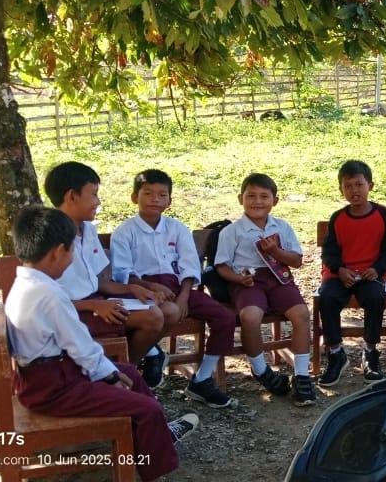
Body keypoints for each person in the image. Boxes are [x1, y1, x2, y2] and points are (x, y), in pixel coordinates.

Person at [4, 206, 198, 482]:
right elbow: (81, 346)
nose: (72, 259)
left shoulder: (26, 282)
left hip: (45, 376)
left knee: (131, 373)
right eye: (72, 251)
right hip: (55, 388)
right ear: (58, 251)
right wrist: (108, 377)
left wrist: (113, 372)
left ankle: (160, 435)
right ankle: (156, 469)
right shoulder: (49, 294)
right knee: (146, 408)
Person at [110, 169, 237, 408]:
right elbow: (123, 273)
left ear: (170, 200)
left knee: (225, 317)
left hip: (180, 287)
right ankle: (151, 354)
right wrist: (149, 286)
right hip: (141, 288)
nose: (155, 199)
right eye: (147, 193)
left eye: (162, 194)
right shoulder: (125, 232)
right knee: (165, 312)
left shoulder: (176, 228)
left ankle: (201, 380)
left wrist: (184, 298)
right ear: (134, 197)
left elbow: (190, 266)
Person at [43, 161, 170, 383]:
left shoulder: (87, 229)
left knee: (155, 309)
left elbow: (99, 281)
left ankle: (120, 371)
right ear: (72, 196)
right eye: (93, 195)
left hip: (94, 301)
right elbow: (46, 301)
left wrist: (133, 288)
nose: (98, 202)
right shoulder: (49, 237)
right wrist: (94, 305)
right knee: (152, 318)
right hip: (69, 314)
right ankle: (119, 374)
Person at [213, 173, 314, 406]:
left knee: (301, 315)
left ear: (274, 201)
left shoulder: (282, 226)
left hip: (279, 277)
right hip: (248, 281)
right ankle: (261, 370)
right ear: (241, 198)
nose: (257, 202)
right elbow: (220, 266)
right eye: (251, 196)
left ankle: (301, 375)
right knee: (250, 316)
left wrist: (276, 252)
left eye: (264, 197)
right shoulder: (232, 231)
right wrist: (238, 279)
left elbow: (297, 260)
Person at [318, 160, 386, 386]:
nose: (354, 191)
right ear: (341, 189)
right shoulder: (338, 218)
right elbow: (329, 251)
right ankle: (335, 353)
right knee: (328, 297)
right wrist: (339, 269)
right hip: (340, 274)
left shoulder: (383, 214)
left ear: (370, 186)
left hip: (369, 275)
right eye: (348, 186)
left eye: (359, 184)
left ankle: (370, 351)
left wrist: (377, 269)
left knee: (375, 297)